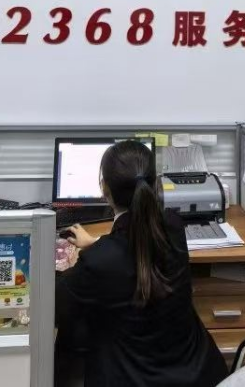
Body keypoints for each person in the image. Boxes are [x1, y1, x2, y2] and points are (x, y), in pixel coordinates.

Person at [55, 140, 228, 387]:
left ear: (104, 189)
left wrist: (78, 262)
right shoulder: (173, 227)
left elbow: (57, 304)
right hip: (199, 374)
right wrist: (97, 245)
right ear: (156, 184)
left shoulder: (99, 262)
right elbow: (134, 252)